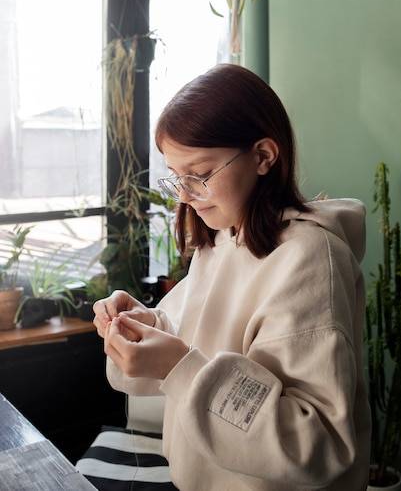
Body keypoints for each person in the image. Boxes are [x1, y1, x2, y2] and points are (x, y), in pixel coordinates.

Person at [93, 63, 371, 491]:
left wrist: (178, 366)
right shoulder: (220, 241)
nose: (184, 195)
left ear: (263, 156)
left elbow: (319, 442)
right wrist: (142, 327)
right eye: (176, 177)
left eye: (200, 175)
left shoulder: (310, 259)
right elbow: (194, 339)